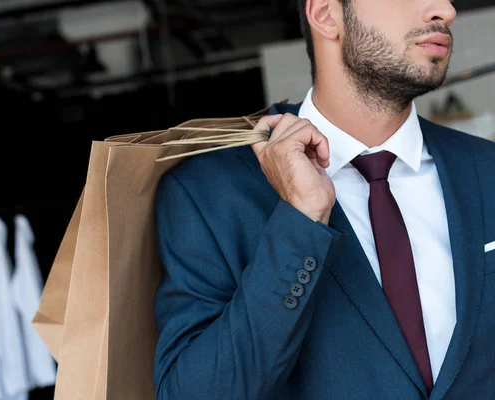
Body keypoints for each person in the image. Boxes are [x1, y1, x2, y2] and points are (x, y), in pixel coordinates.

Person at [153, 0, 495, 398]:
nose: (446, 10)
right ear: (326, 15)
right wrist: (300, 223)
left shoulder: (487, 170)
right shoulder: (207, 194)